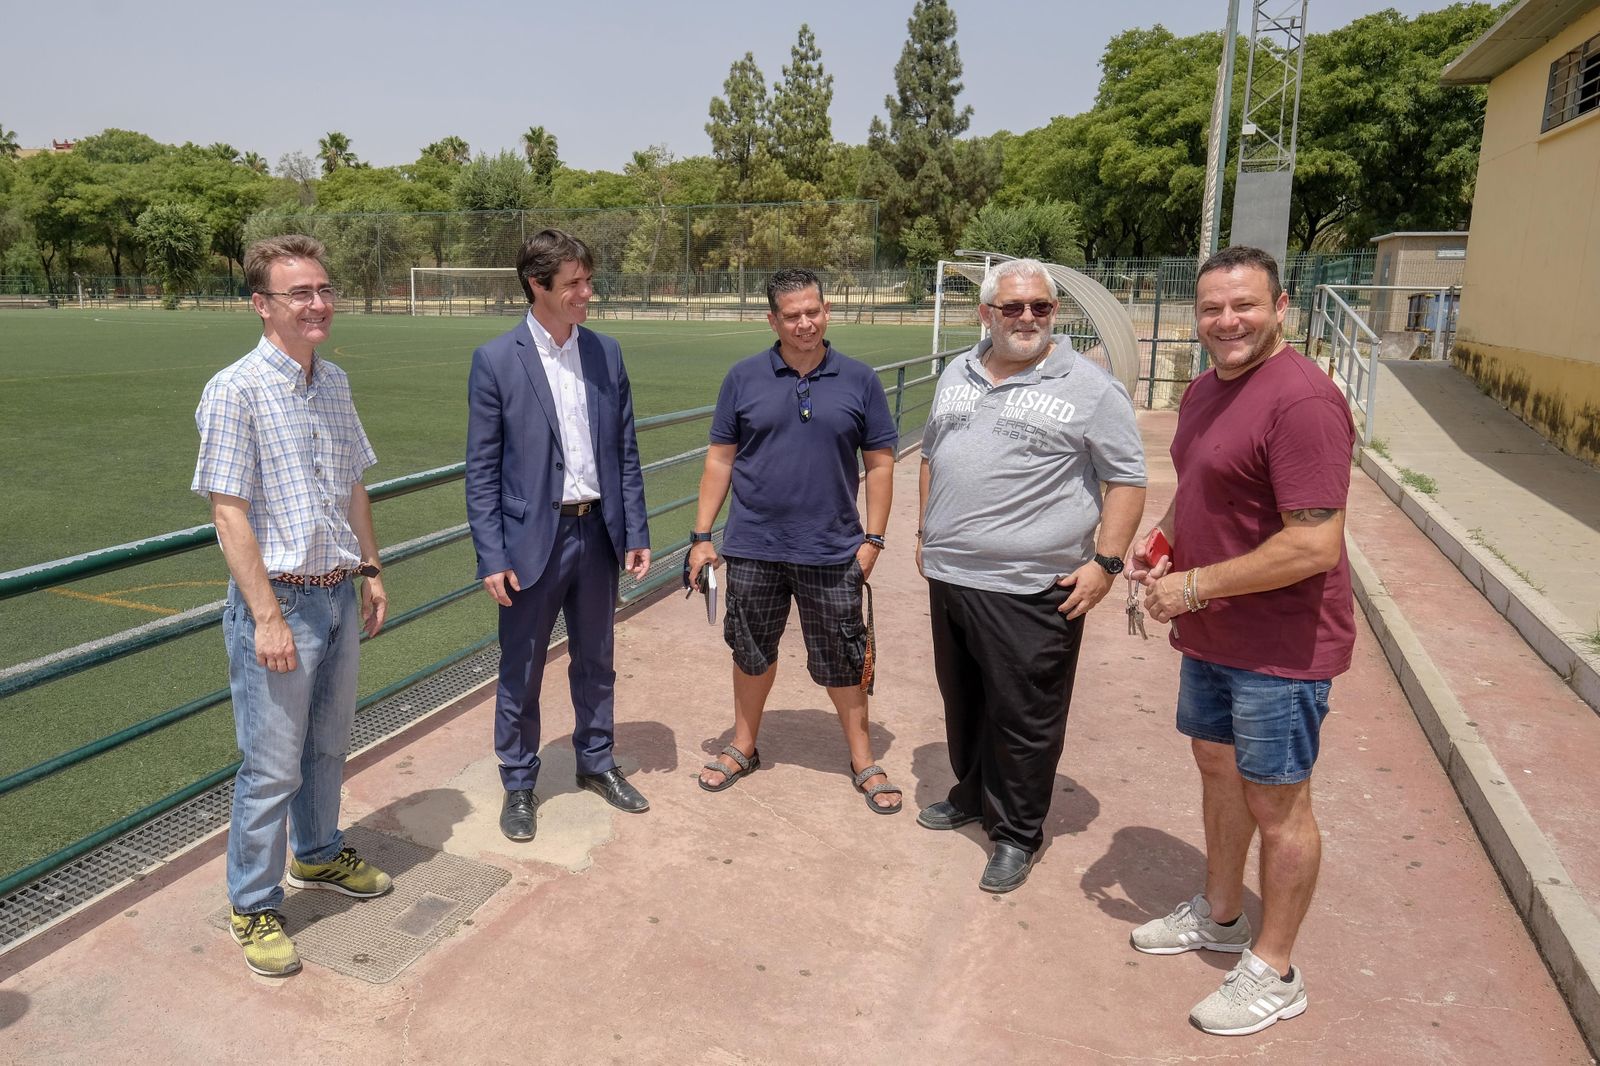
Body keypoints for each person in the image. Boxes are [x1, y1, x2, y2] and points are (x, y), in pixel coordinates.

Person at [1129, 244, 1355, 1036]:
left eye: (1246, 306)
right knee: (1217, 770)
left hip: (1281, 646)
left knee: (1278, 802)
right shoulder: (1205, 390)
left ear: (1282, 307)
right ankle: (1222, 915)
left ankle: (1275, 968)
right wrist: (1163, 541)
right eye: (1214, 308)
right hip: (1215, 634)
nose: (1228, 321)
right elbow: (1200, 489)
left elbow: (1312, 545)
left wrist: (1190, 586)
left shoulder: (1303, 403)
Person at [193, 234, 392, 977]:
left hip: (337, 592)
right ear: (262, 305)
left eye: (323, 290)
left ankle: (315, 855)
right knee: (271, 767)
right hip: (280, 606)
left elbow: (352, 486)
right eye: (298, 294)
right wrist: (268, 616)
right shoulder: (235, 389)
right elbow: (229, 515)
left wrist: (369, 569)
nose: (317, 304)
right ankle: (253, 906)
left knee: (327, 748)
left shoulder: (333, 382)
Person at [915, 258, 1146, 893]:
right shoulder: (957, 371)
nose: (1027, 319)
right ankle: (971, 792)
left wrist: (1105, 563)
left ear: (1054, 312)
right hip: (953, 575)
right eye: (1012, 308)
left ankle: (1017, 831)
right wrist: (923, 532)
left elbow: (1126, 478)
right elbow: (932, 454)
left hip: (1031, 585)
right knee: (964, 703)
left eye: (1040, 307)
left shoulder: (1089, 385)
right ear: (985, 313)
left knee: (1025, 716)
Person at [688, 268, 902, 813]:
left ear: (826, 311)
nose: (805, 323)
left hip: (832, 548)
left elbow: (879, 465)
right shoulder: (742, 378)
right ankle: (743, 745)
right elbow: (720, 458)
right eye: (792, 315)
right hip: (754, 545)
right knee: (751, 650)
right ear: (772, 319)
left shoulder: (859, 380)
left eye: (813, 311)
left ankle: (862, 757)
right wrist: (702, 536)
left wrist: (874, 539)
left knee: (842, 656)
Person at [465, 229, 651, 842]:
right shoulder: (496, 360)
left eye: (587, 281)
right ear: (536, 285)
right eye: (572, 283)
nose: (585, 293)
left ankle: (596, 761)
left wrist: (635, 530)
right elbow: (482, 468)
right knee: (521, 668)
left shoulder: (607, 353)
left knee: (597, 660)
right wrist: (491, 554)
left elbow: (625, 450)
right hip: (528, 544)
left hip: (597, 534)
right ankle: (519, 782)